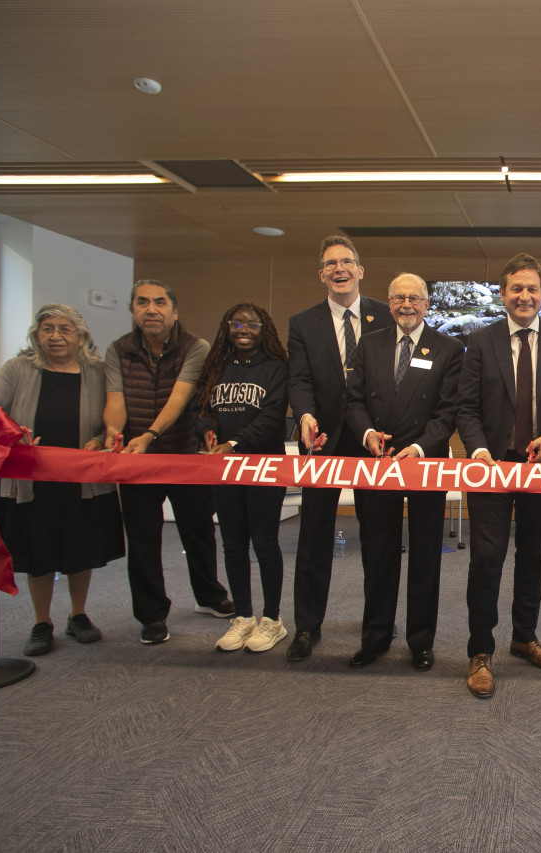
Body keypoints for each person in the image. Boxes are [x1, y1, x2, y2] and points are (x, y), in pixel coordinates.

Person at [457, 253, 541, 698]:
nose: (524, 296)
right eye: (516, 289)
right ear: (503, 294)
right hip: (491, 466)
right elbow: (466, 407)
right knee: (487, 559)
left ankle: (524, 637)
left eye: (532, 289)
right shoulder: (480, 341)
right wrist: (477, 451)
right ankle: (480, 651)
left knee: (534, 555)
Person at [0, 304, 123, 656]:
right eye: (47, 329)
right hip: (32, 481)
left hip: (82, 479)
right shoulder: (18, 369)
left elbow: (114, 418)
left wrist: (102, 437)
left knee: (81, 549)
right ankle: (41, 622)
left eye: (64, 329)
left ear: (81, 336)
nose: (55, 336)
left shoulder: (98, 371)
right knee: (37, 551)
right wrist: (12, 433)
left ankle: (78, 615)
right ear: (36, 334)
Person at [344, 273, 464, 672]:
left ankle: (420, 642)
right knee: (377, 555)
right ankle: (375, 638)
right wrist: (366, 434)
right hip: (379, 462)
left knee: (426, 555)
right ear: (389, 303)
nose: (406, 305)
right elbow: (354, 400)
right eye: (398, 298)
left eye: (414, 298)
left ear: (427, 303)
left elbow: (448, 412)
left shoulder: (449, 348)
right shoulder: (370, 343)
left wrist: (418, 447)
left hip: (426, 463)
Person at [104, 280, 231, 645]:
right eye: (142, 303)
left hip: (183, 456)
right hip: (136, 463)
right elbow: (115, 399)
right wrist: (115, 431)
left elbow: (181, 398)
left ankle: (209, 596)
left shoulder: (196, 347)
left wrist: (149, 436)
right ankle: (151, 614)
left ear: (174, 311)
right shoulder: (118, 350)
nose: (151, 309)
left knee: (199, 531)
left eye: (160, 303)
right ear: (132, 310)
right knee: (143, 539)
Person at [284, 236, 392, 662]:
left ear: (361, 271)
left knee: (380, 536)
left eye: (347, 261)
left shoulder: (386, 315)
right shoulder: (303, 323)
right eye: (331, 263)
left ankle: (378, 630)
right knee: (313, 535)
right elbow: (299, 380)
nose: (340, 268)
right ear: (321, 274)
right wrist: (304, 416)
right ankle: (308, 627)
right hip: (323, 441)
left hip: (375, 441)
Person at [195, 303, 291, 654]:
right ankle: (244, 616)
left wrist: (234, 443)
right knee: (233, 543)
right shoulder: (215, 368)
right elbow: (201, 409)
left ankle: (272, 620)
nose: (244, 329)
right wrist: (206, 431)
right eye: (237, 324)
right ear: (227, 328)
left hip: (264, 465)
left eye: (252, 324)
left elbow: (272, 418)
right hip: (223, 468)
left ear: (264, 329)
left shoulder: (277, 368)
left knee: (265, 543)